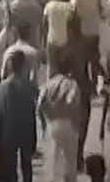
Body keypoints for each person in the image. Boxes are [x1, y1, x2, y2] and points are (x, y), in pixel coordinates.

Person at [0, 50, 39, 182]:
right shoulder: (30, 86)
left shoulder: (2, 87)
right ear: (24, 65)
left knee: (10, 166)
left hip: (9, 131)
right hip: (27, 129)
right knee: (27, 164)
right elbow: (35, 107)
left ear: (10, 66)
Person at [39, 48, 83, 182]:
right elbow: (72, 102)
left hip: (52, 124)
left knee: (53, 160)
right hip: (68, 124)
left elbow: (40, 103)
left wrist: (45, 120)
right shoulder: (72, 84)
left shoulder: (49, 83)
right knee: (70, 162)